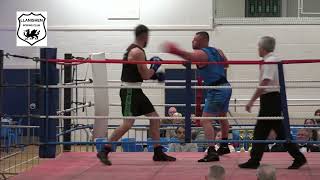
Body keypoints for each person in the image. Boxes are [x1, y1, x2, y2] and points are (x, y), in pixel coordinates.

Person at [96, 24, 176, 165]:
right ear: (144, 36)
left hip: (136, 90)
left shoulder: (133, 49)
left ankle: (157, 152)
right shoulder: (137, 52)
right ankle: (105, 149)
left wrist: (154, 74)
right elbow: (145, 75)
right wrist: (154, 68)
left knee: (155, 118)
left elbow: (140, 74)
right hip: (129, 92)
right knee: (127, 124)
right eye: (148, 37)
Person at [238, 36, 306, 169]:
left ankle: (255, 160)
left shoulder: (270, 61)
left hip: (270, 98)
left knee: (262, 130)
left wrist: (251, 101)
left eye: (258, 47)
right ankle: (298, 157)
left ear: (262, 48)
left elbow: (265, 82)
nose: (258, 49)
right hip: (272, 98)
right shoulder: (274, 60)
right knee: (272, 130)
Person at [164, 31, 232, 162]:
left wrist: (175, 50)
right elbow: (226, 64)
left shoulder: (201, 53)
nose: (192, 42)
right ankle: (224, 145)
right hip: (226, 87)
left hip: (216, 89)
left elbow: (189, 55)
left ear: (202, 41)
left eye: (195, 40)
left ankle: (212, 151)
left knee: (205, 120)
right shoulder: (217, 51)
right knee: (222, 117)